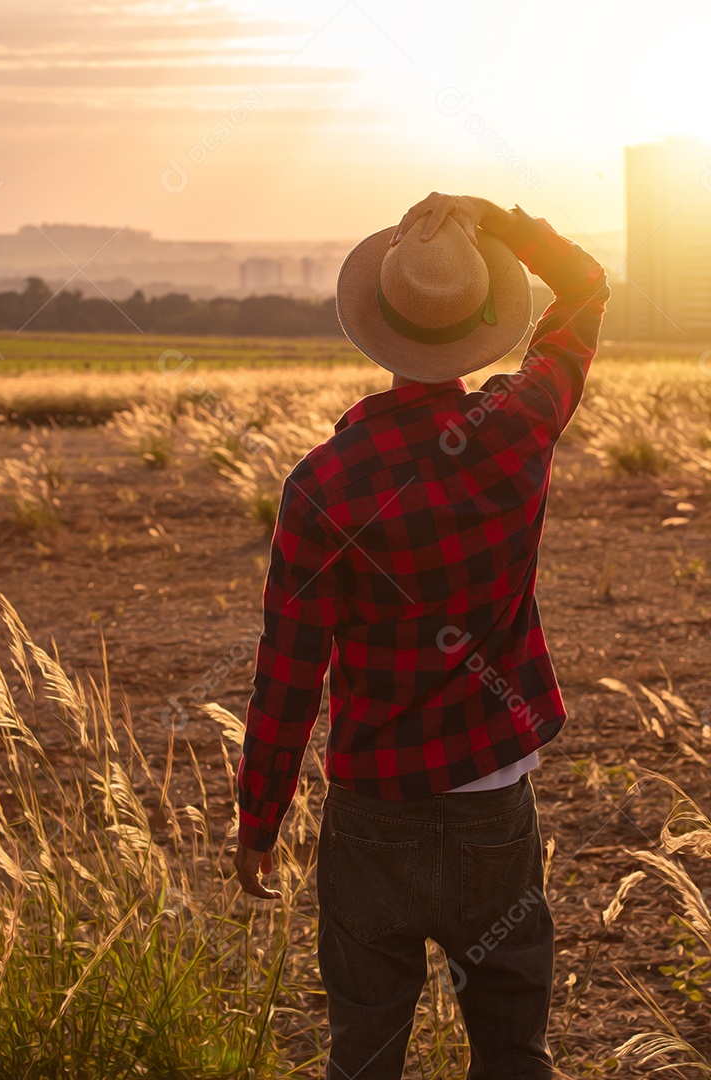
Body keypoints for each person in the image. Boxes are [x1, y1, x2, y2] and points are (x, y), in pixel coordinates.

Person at [233, 192, 610, 1079]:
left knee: (364, 1055)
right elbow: (586, 289)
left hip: (374, 815)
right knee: (514, 1051)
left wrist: (260, 816)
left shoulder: (323, 482)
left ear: (378, 326)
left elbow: (288, 675)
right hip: (494, 809)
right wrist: (499, 221)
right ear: (483, 322)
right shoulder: (519, 427)